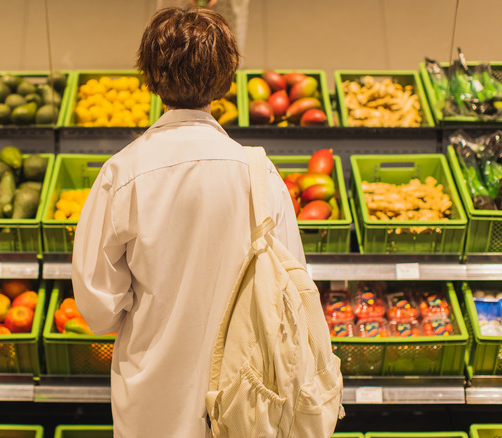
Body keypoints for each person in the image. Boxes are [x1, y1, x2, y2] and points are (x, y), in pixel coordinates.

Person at [71, 7, 304, 438]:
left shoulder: (122, 174)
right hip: (246, 395)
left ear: (150, 77)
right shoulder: (260, 174)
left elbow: (99, 307)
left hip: (154, 398)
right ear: (226, 78)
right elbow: (292, 285)